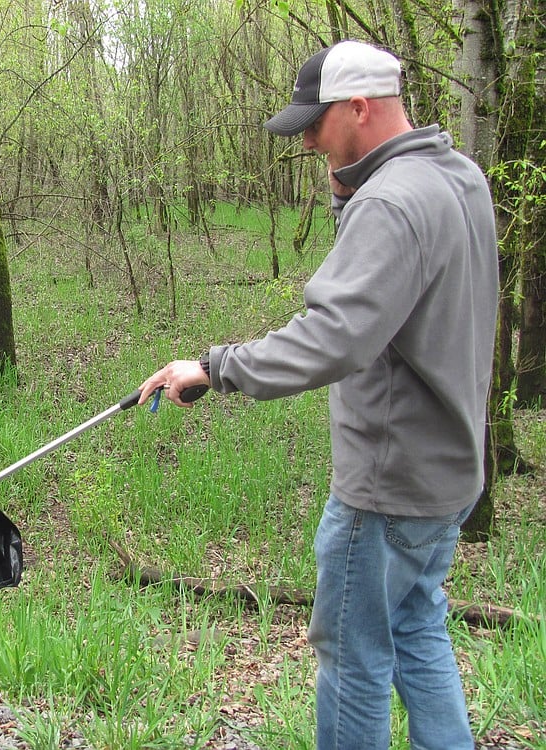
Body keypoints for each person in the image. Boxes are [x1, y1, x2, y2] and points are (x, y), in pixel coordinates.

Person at [138, 40, 496, 749]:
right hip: (449, 471)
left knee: (355, 658)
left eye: (315, 121)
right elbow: (393, 302)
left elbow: (336, 336)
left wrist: (216, 367)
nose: (304, 138)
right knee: (418, 627)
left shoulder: (391, 202)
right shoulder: (458, 178)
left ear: (360, 107)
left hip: (385, 487)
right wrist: (344, 196)